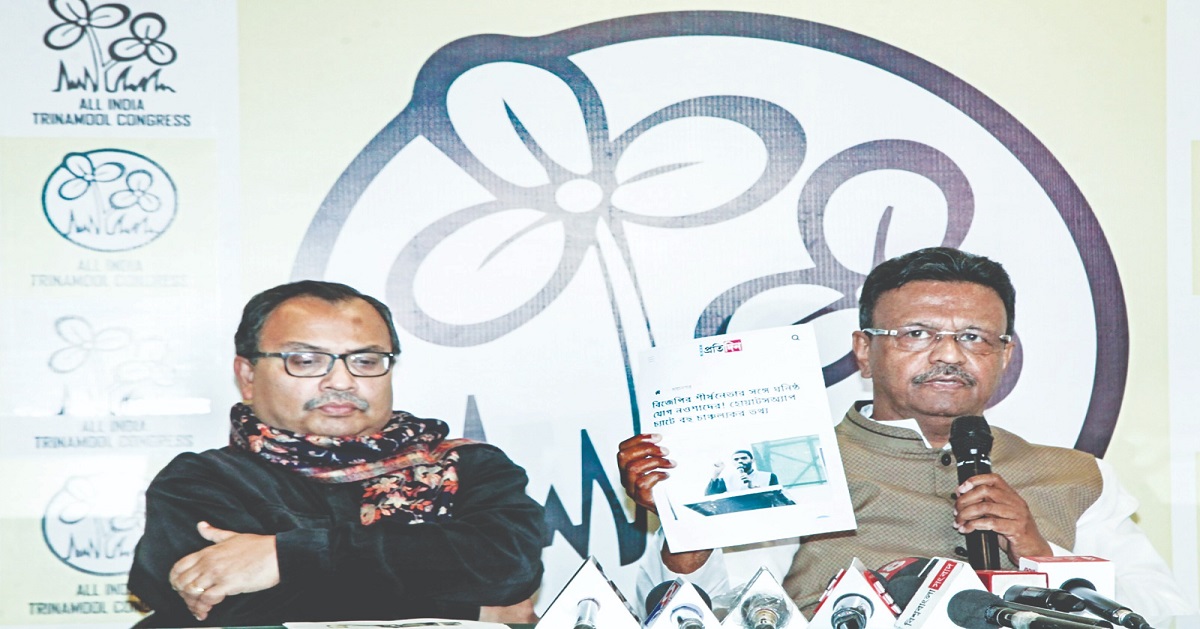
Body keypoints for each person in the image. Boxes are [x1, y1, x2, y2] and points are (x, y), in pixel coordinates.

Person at [617, 247, 1194, 623]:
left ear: (1004, 355)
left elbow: (1163, 614)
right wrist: (689, 540)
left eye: (974, 337)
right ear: (863, 350)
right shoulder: (792, 459)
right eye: (917, 333)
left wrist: (1039, 552)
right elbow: (726, 610)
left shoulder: (1075, 474)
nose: (949, 355)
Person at [128, 281, 546, 627]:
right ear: (248, 375)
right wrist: (468, 611)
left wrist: (285, 557)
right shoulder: (202, 480)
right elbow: (229, 612)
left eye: (365, 360)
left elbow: (508, 567)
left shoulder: (468, 466)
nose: (342, 382)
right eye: (306, 361)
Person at [705, 450, 779, 495]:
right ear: (733, 463)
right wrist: (716, 473)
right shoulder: (727, 479)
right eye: (736, 459)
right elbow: (709, 494)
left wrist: (757, 489)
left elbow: (777, 496)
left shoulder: (769, 476)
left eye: (744, 458)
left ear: (752, 460)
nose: (740, 461)